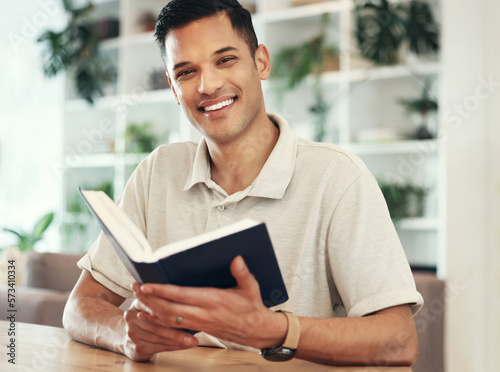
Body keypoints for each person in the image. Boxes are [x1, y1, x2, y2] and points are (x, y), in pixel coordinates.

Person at [63, 0, 423, 366]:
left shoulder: (338, 178)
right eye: (186, 72)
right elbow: (80, 307)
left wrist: (275, 330)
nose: (208, 85)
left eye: (225, 60)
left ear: (261, 62)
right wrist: (125, 333)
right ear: (173, 88)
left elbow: (398, 340)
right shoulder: (157, 171)